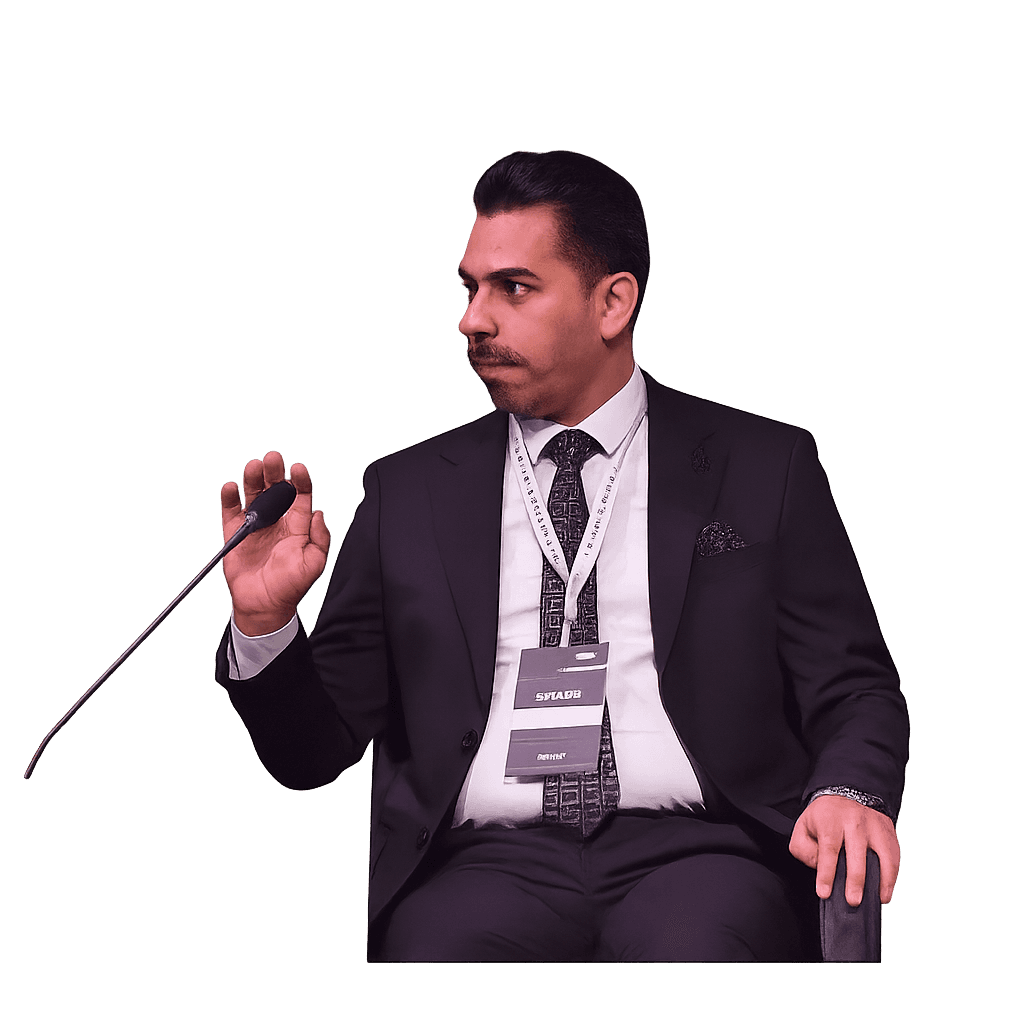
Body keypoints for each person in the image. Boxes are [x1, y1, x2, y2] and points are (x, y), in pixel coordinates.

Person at [216, 150, 909, 962]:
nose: (473, 320)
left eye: (513, 288)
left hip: (704, 853)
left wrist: (849, 791)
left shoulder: (764, 465)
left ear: (613, 302)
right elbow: (312, 752)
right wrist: (264, 625)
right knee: (441, 951)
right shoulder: (405, 492)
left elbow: (855, 685)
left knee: (699, 949)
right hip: (483, 863)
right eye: (469, 289)